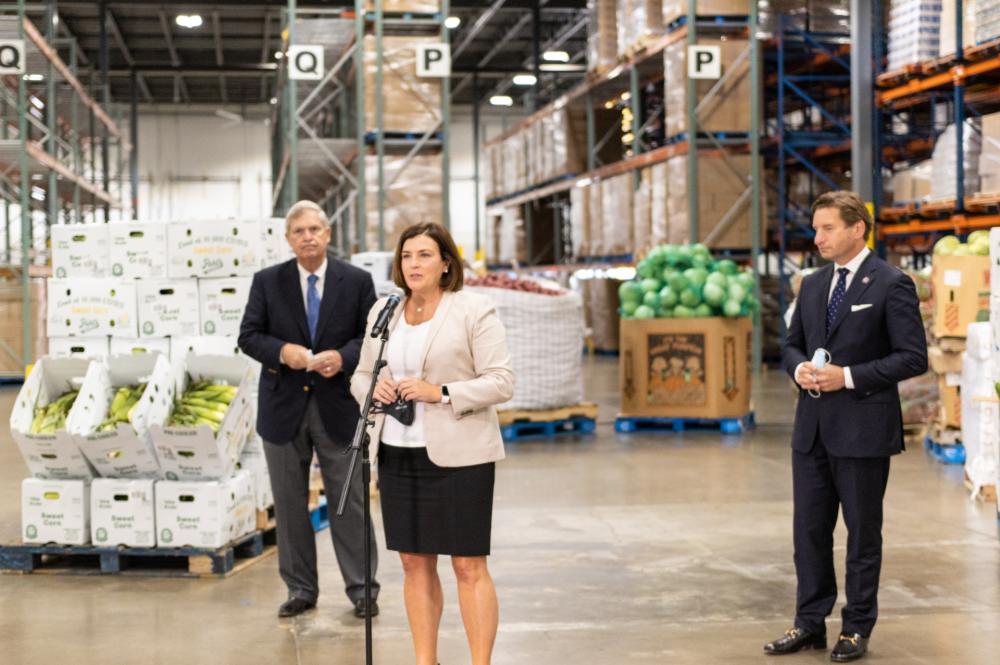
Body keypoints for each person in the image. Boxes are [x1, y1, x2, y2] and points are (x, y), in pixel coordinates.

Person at [765, 191, 927, 662]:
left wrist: (848, 377)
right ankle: (809, 623)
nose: (817, 238)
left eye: (827, 228)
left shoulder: (891, 283)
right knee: (809, 533)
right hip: (811, 430)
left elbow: (912, 356)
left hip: (863, 431)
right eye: (816, 229)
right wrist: (798, 370)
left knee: (862, 534)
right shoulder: (812, 285)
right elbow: (791, 345)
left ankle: (856, 628)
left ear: (858, 229)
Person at [350, 222, 513, 665]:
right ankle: (427, 660)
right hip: (398, 453)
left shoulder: (473, 309)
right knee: (413, 563)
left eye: (424, 255)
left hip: (461, 455)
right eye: (406, 256)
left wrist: (439, 392)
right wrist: (374, 389)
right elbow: (362, 373)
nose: (414, 264)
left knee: (467, 565)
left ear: (446, 263)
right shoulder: (384, 312)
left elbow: (501, 382)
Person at [238, 200, 380, 619]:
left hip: (338, 407)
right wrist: (283, 352)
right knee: (289, 503)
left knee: (349, 501)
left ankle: (362, 590)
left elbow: (370, 337)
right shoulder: (268, 282)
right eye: (299, 231)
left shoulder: (356, 281)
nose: (308, 237)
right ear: (288, 239)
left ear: (328, 233)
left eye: (315, 229)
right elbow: (248, 336)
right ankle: (300, 589)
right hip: (283, 410)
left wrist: (342, 356)